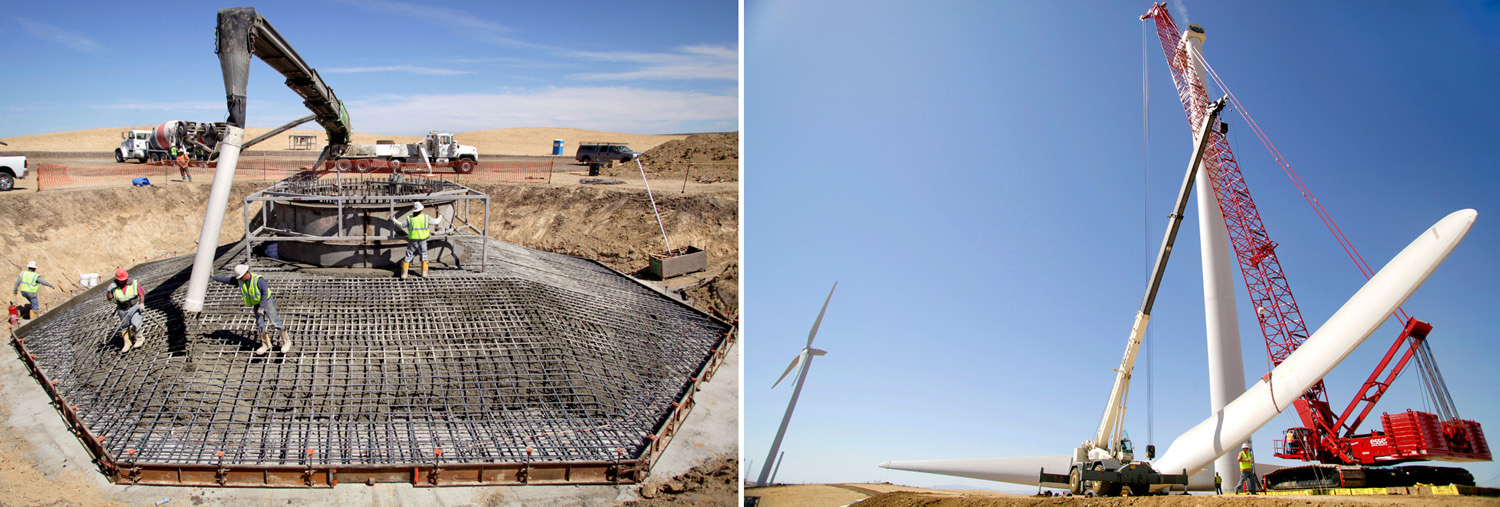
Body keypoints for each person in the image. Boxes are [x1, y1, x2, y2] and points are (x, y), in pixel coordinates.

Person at [213, 264, 289, 354]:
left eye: (241, 277)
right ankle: (266, 344)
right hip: (256, 303)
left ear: (246, 274)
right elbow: (228, 280)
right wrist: (214, 277)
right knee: (260, 324)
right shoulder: (240, 280)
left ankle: (286, 341)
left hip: (266, 302)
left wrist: (262, 307)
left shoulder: (258, 279)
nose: (239, 279)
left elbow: (264, 293)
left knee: (275, 321)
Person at [398, 202, 442, 278]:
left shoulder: (409, 218)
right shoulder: (426, 218)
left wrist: (393, 220)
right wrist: (441, 216)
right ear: (421, 210)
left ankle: (404, 274)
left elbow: (401, 225)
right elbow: (436, 221)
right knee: (424, 255)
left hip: (413, 240)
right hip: (422, 240)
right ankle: (424, 273)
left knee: (409, 255)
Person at [104, 268, 144, 353]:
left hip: (133, 307)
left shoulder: (133, 283)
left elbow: (141, 293)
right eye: (121, 280)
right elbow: (110, 298)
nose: (123, 281)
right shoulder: (114, 286)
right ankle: (127, 342)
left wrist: (141, 303)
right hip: (122, 309)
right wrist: (109, 291)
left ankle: (139, 339)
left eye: (124, 280)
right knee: (124, 326)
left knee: (136, 323)